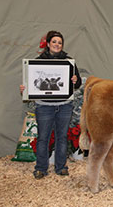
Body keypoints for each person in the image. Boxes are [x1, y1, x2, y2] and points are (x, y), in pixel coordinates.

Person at [20, 30, 82, 179]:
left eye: (60, 42)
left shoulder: (69, 62)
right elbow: (30, 83)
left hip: (65, 105)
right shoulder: (37, 61)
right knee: (43, 137)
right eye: (54, 42)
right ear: (48, 44)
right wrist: (25, 88)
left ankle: (61, 167)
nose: (57, 44)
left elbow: (78, 83)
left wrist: (75, 80)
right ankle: (41, 168)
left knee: (62, 137)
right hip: (44, 106)